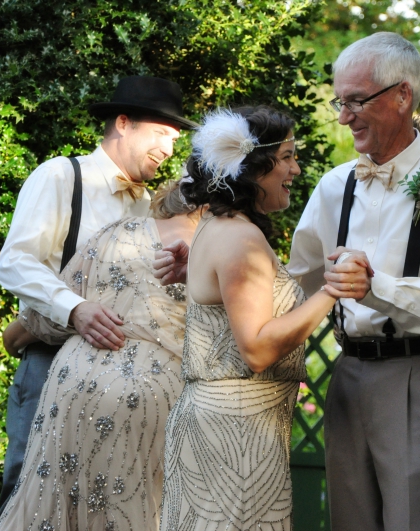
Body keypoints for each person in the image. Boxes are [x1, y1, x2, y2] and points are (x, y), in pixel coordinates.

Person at [287, 32, 420, 531]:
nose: (343, 117)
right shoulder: (335, 185)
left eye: (356, 101)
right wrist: (213, 263)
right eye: (341, 101)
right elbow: (296, 280)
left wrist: (376, 287)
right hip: (349, 376)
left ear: (402, 96)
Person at [0, 75, 195, 529]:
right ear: (123, 123)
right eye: (162, 133)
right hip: (52, 363)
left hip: (125, 385)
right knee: (26, 490)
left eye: (175, 139)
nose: (169, 147)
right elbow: (15, 262)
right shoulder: (62, 175)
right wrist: (75, 309)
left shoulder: (149, 205)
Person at [158, 106, 369, 531]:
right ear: (254, 169)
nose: (295, 168)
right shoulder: (241, 239)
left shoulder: (219, 226)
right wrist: (334, 289)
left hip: (228, 423)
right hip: (237, 432)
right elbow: (256, 349)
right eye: (288, 156)